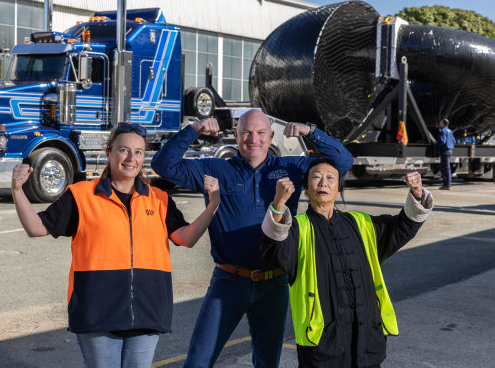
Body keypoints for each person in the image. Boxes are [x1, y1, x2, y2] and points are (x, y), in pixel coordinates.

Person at [151, 109, 354, 368]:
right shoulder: (216, 170)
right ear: (236, 135)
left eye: (260, 133)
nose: (253, 139)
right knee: (198, 361)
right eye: (246, 132)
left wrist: (310, 132)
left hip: (274, 284)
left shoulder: (291, 168)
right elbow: (162, 165)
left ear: (271, 137)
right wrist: (194, 129)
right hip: (228, 283)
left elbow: (343, 161)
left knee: (267, 362)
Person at [11, 122, 220, 368]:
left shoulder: (159, 199)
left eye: (138, 152)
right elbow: (36, 228)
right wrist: (17, 190)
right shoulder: (80, 196)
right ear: (109, 152)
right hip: (98, 311)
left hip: (147, 309)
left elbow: (187, 238)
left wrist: (213, 205)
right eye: (124, 150)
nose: (131, 158)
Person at [260, 157, 433, 368]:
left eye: (330, 177)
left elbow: (401, 228)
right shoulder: (297, 229)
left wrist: (417, 195)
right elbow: (273, 250)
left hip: (367, 339)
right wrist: (278, 205)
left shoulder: (361, 223)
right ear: (306, 188)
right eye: (316, 177)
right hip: (323, 346)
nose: (323, 182)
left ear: (339, 187)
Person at [437, 118, 456, 190]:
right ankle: (446, 184)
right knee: (446, 167)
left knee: (445, 168)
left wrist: (436, 144)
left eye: (441, 122)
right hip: (450, 150)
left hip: (444, 150)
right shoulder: (450, 131)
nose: (439, 123)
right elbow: (454, 141)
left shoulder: (443, 131)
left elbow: (442, 141)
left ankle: (447, 185)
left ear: (443, 124)